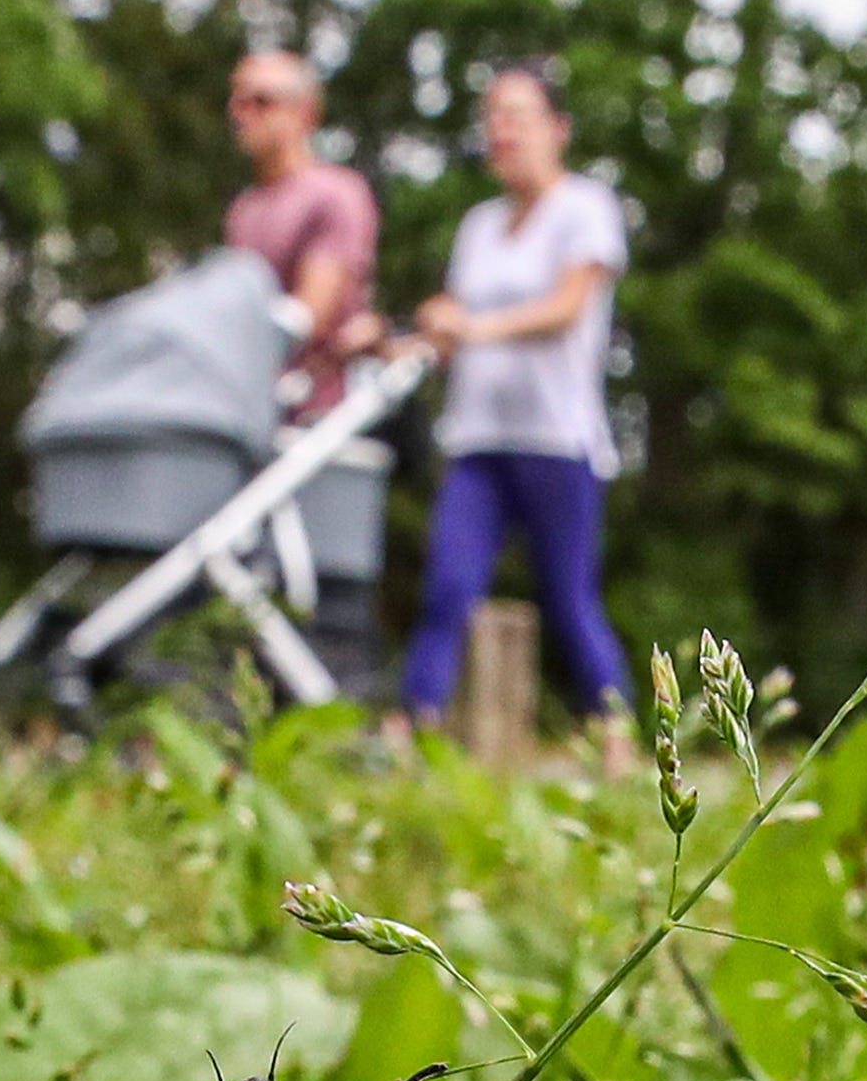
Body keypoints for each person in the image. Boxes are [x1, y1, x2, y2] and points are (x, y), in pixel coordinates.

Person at [401, 65, 634, 761]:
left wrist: (473, 326)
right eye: (492, 115)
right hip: (477, 439)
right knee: (448, 586)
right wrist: (408, 338)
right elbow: (453, 330)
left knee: (570, 599)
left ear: (557, 129)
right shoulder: (477, 226)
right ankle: (416, 733)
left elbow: (567, 309)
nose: (501, 129)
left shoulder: (585, 207)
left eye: (518, 114)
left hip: (558, 440)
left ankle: (620, 743)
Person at [222, 50, 381, 416]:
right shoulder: (245, 208)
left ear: (306, 113)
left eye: (262, 101)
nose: (242, 114)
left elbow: (308, 316)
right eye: (238, 101)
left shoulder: (336, 193)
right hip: (251, 414)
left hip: (317, 422)